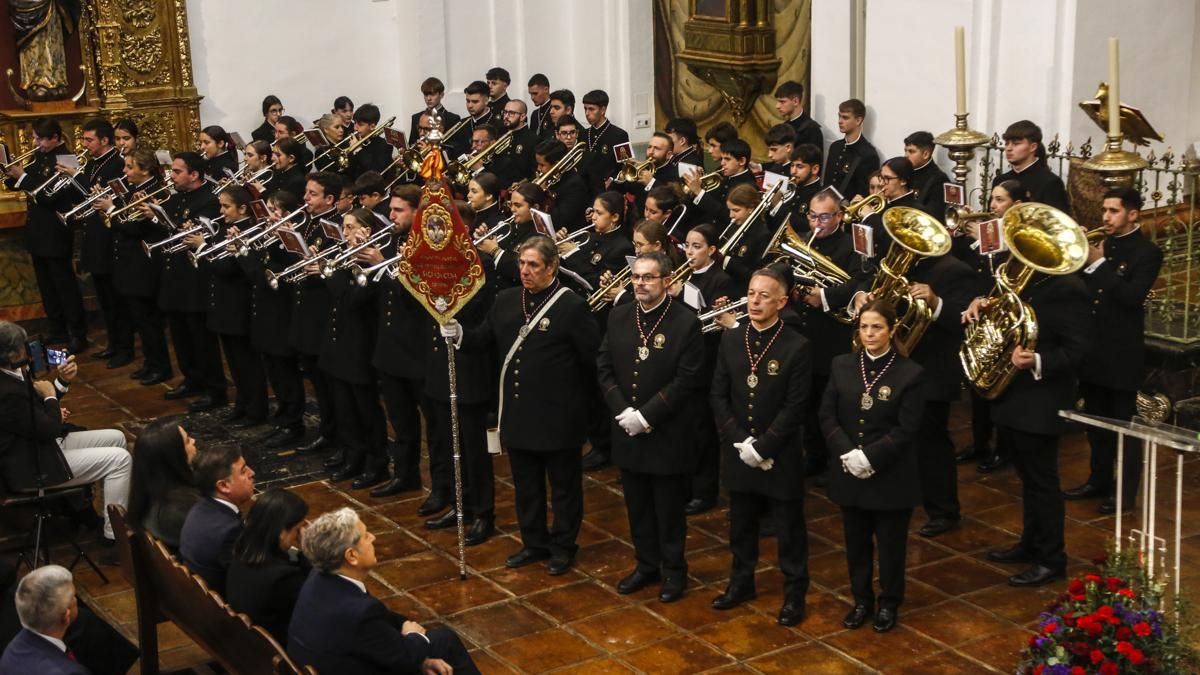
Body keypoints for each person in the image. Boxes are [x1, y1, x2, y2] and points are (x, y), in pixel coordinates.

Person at [450, 235, 598, 575]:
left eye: (533, 265)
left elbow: (591, 359)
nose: (525, 271)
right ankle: (533, 542)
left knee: (563, 488)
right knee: (526, 485)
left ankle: (563, 546)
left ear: (552, 267)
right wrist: (459, 334)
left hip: (558, 416)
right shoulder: (504, 300)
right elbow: (483, 339)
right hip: (518, 413)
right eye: (522, 263)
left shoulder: (571, 306)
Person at [964, 248, 1092, 587]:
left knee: (1043, 482)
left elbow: (1078, 350)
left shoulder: (1069, 289)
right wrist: (983, 304)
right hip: (1014, 397)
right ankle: (1031, 543)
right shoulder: (1024, 280)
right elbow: (1007, 316)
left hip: (1040, 401)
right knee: (1027, 479)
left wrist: (1036, 361)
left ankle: (1052, 559)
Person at [598, 252, 705, 603]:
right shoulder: (619, 316)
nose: (641, 283)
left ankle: (674, 570)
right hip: (627, 430)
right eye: (637, 277)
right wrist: (622, 411)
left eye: (649, 277)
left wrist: (646, 416)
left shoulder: (686, 322)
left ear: (666, 281)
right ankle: (646, 565)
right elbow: (604, 366)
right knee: (637, 505)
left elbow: (687, 379)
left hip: (667, 432)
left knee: (668, 508)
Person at [710, 267, 812, 626]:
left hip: (779, 455)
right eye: (751, 293)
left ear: (782, 302)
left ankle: (795, 591)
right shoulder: (731, 339)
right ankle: (741, 583)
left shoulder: (796, 346)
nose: (754, 301)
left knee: (788, 528)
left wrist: (765, 447)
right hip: (740, 452)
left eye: (764, 296)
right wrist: (741, 442)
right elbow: (719, 395)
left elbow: (796, 407)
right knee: (741, 523)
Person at [821, 300, 925, 632]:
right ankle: (862, 599)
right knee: (856, 542)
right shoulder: (841, 365)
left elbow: (907, 429)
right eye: (864, 326)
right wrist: (848, 453)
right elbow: (827, 415)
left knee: (892, 545)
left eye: (877, 327)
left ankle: (889, 602)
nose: (869, 333)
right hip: (849, 470)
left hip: (890, 475)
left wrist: (871, 457)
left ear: (891, 330)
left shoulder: (911, 373)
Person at [1064, 187, 1163, 514]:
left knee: (1125, 429)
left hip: (1121, 354)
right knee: (1096, 424)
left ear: (1133, 214)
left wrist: (1099, 262)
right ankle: (1098, 480)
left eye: (1113, 211)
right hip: (1092, 349)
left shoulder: (1147, 252)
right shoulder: (1099, 245)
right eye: (1104, 210)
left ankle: (1124, 493)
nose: (1105, 217)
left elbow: (1130, 297)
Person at [288, 508, 479, 674]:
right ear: (351, 556)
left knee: (440, 641)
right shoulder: (359, 612)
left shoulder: (319, 577)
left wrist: (403, 624)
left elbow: (378, 623)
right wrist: (414, 635)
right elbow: (405, 656)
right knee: (444, 641)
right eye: (365, 536)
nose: (373, 537)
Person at [0, 322, 132, 552]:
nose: (28, 351)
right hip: (32, 468)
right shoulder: (7, 392)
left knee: (116, 437)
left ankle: (105, 518)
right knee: (120, 459)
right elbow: (48, 427)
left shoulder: (9, 376)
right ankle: (115, 540)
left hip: (39, 447)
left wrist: (61, 384)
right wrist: (51, 398)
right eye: (23, 346)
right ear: (12, 353)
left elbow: (37, 415)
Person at [954, 179, 1027, 473]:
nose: (993, 206)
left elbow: (1002, 271)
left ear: (1016, 205)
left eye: (999, 200)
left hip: (1005, 314)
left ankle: (1004, 448)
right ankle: (980, 441)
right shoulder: (990, 229)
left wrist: (983, 240)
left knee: (1000, 386)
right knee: (976, 380)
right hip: (981, 308)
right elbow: (979, 267)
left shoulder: (1020, 234)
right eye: (992, 200)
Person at [362, 185, 428, 498]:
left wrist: (385, 262)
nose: (391, 216)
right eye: (391, 209)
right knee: (400, 422)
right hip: (389, 348)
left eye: (399, 210)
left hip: (417, 350)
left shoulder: (428, 245)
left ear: (417, 212)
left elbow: (417, 298)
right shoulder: (391, 240)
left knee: (433, 427)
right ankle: (405, 475)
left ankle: (442, 487)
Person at [4, 120, 87, 354]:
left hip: (56, 231)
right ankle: (57, 328)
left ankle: (77, 333)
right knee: (47, 285)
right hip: (38, 231)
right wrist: (11, 174)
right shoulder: (40, 156)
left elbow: (49, 196)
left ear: (55, 137)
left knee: (64, 285)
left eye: (40, 139)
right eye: (35, 138)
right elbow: (24, 183)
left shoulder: (66, 159)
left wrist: (23, 178)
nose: (35, 143)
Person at [320, 209, 389, 489]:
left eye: (351, 228)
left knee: (366, 409)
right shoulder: (344, 258)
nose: (345, 234)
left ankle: (377, 462)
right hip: (338, 343)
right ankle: (353, 455)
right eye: (344, 228)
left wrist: (339, 272)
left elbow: (352, 298)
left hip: (362, 346)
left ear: (367, 231)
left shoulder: (371, 264)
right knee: (345, 407)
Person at [152, 151, 224, 409]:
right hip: (175, 276)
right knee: (180, 335)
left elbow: (198, 231)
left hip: (196, 279)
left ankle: (214, 388)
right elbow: (170, 223)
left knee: (201, 338)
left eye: (177, 171)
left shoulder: (209, 200)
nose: (172, 176)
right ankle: (191, 378)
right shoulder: (176, 196)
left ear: (194, 175)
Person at [103, 147, 172, 385]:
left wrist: (111, 210)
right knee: (140, 320)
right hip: (130, 264)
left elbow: (136, 229)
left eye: (130, 167)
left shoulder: (155, 192)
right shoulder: (135, 189)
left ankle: (161, 367)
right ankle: (150, 363)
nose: (125, 171)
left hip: (145, 267)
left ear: (145, 169)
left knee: (149, 321)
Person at [202, 185, 268, 428]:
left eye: (226, 206)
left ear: (243, 208)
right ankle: (242, 404)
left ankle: (255, 409)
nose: (221, 211)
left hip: (241, 308)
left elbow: (229, 269)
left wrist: (201, 247)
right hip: (225, 306)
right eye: (221, 205)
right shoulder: (228, 229)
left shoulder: (250, 231)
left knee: (248, 363)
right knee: (235, 363)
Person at [72, 119, 130, 368]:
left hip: (110, 238)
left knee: (117, 300)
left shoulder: (117, 164)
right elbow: (86, 194)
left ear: (104, 140)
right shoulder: (94, 163)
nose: (85, 144)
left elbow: (118, 198)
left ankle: (124, 348)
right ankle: (113, 343)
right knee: (105, 298)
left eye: (89, 140)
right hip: (94, 235)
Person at [226, 489, 311, 643]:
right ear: (281, 532)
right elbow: (313, 599)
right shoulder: (282, 577)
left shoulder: (242, 549)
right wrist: (307, 552)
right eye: (297, 529)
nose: (299, 535)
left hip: (248, 638)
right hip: (279, 644)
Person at [179, 445, 256, 595]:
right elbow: (248, 579)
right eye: (243, 471)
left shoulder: (199, 507)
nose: (252, 473)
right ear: (224, 486)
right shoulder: (230, 531)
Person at [126, 418, 200, 550]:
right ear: (175, 457)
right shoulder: (183, 509)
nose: (194, 441)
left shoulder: (146, 491)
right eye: (188, 441)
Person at [0, 565, 87, 675]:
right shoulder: (70, 672)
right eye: (74, 597)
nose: (75, 600)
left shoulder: (11, 650)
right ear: (66, 616)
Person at [991, 120, 1070, 214]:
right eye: (1007, 143)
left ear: (1033, 147)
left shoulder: (1051, 182)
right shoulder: (1000, 180)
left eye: (1016, 144)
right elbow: (991, 215)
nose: (1008, 148)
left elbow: (1057, 223)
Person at [687, 137, 757, 226]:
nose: (722, 163)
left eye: (727, 159)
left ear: (742, 161)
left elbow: (728, 216)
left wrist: (699, 191)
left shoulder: (748, 186)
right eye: (722, 158)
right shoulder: (724, 174)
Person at [824, 98, 880, 202]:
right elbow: (828, 181)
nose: (840, 121)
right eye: (839, 116)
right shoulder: (835, 147)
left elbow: (865, 193)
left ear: (858, 120)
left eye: (845, 118)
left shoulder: (868, 154)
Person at [903, 131, 950, 221]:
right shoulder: (904, 171)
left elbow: (935, 216)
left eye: (911, 151)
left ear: (926, 154)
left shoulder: (939, 180)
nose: (906, 156)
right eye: (905, 151)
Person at [774, 80, 824, 162]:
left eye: (782, 101)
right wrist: (760, 166)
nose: (777, 106)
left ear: (795, 101)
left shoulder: (812, 130)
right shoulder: (784, 126)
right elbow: (779, 160)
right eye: (778, 101)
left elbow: (812, 164)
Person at [410, 76, 461, 150]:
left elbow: (455, 147)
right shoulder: (416, 117)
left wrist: (430, 149)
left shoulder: (452, 119)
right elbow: (412, 143)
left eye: (432, 94)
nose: (428, 98)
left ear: (441, 95)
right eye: (426, 95)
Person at [527, 73, 552, 137]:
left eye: (535, 93)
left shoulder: (554, 111)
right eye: (530, 94)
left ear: (546, 89)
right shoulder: (535, 114)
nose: (532, 98)